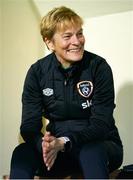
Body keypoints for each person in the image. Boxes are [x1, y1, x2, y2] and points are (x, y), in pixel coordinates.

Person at [10, 6, 123, 179]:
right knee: (21, 152)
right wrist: (45, 146)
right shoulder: (37, 72)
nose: (77, 41)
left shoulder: (99, 67)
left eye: (79, 33)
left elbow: (101, 124)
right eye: (67, 36)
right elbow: (29, 126)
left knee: (91, 152)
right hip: (57, 151)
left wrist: (64, 142)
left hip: (99, 146)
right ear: (49, 42)